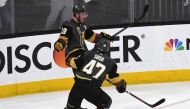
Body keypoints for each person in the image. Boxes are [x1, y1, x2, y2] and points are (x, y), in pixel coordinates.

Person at [64, 38, 127, 109]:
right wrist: (121, 85)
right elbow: (114, 80)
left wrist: (69, 60)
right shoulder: (111, 64)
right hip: (92, 90)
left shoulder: (87, 54)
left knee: (71, 108)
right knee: (106, 102)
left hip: (77, 87)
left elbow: (73, 64)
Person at [54, 0, 114, 68]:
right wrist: (60, 44)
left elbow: (92, 37)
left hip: (83, 54)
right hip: (73, 56)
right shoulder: (68, 25)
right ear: (76, 15)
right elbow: (63, 37)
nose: (85, 16)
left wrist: (102, 38)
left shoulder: (83, 25)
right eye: (83, 14)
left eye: (86, 14)